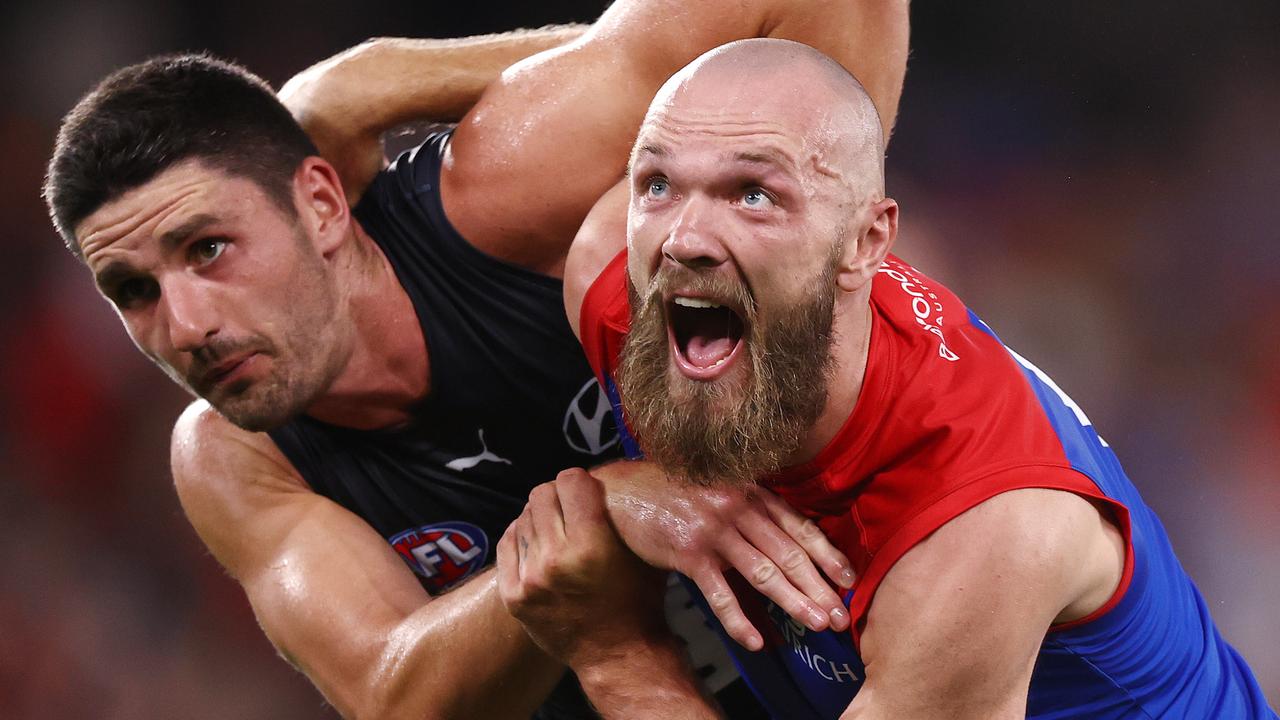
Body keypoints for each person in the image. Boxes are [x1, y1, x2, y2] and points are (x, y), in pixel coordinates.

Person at [42, 2, 909, 718]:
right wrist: (599, 514)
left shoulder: (502, 193)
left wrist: (383, 74)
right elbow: (393, 693)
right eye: (133, 291)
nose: (185, 324)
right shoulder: (234, 459)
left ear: (318, 203)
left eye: (208, 249)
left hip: (896, 635)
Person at [497, 38, 1280, 718]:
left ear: (865, 244)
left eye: (755, 195)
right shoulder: (615, 283)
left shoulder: (981, 537)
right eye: (658, 184)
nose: (686, 239)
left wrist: (616, 654)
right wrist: (636, 490)